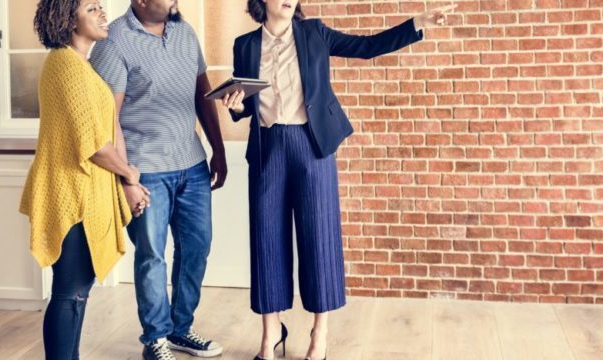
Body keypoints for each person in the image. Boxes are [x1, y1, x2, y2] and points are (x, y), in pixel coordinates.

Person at [221, 1, 455, 359]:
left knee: (319, 238)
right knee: (267, 240)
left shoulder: (315, 33)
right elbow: (247, 106)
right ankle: (270, 336)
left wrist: (416, 23)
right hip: (268, 147)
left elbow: (367, 47)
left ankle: (320, 334)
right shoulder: (246, 45)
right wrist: (236, 106)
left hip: (312, 145)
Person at [90, 0, 227, 359]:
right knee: (152, 255)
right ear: (141, 1)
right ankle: (155, 339)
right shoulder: (114, 41)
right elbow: (108, 119)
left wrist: (219, 150)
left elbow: (203, 94)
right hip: (145, 168)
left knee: (197, 247)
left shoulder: (184, 32)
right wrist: (126, 178)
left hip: (192, 163)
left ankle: (180, 330)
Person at [20, 1, 149, 358]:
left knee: (76, 292)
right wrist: (130, 175)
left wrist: (127, 184)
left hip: (85, 193)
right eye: (92, 9)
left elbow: (103, 131)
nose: (103, 14)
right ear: (67, 18)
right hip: (72, 196)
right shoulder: (64, 65)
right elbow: (91, 144)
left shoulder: (82, 67)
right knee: (70, 292)